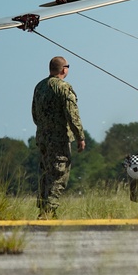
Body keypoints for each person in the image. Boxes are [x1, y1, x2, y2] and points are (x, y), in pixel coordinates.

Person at [31, 56, 86, 217]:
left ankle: (44, 208)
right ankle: (49, 210)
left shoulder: (39, 87)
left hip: (42, 137)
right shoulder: (63, 87)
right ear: (64, 69)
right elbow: (72, 115)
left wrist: (44, 128)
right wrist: (80, 136)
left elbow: (35, 114)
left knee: (46, 173)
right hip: (59, 138)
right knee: (59, 174)